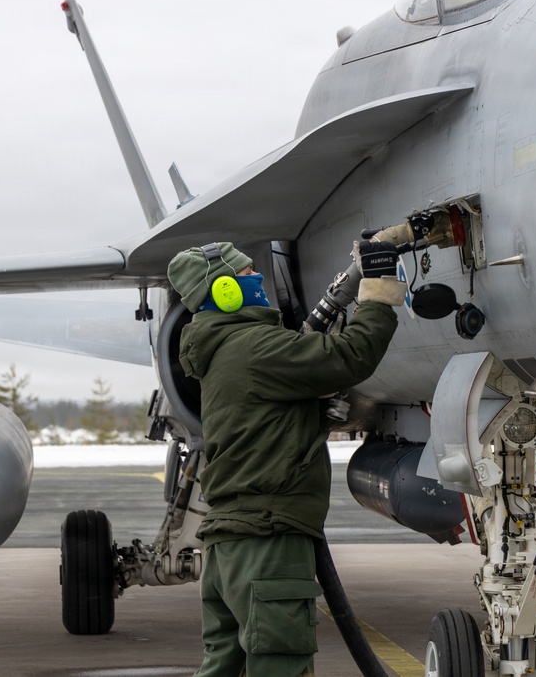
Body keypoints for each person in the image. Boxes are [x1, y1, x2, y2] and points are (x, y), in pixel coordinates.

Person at [167, 240, 405, 677]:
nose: (258, 279)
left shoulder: (224, 353)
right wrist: (378, 292)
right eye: (247, 274)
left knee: (223, 667)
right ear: (224, 292)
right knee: (281, 665)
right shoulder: (255, 347)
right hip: (268, 543)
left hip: (230, 546)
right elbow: (351, 356)